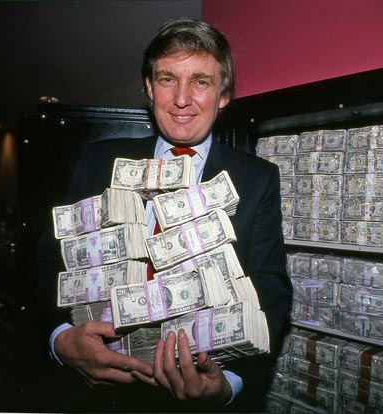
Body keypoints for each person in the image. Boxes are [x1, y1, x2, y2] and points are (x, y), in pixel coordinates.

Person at [35, 18, 293, 413]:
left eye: (201, 81)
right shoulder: (100, 160)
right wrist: (60, 339)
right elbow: (49, 260)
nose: (181, 99)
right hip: (96, 395)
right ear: (149, 87)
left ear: (223, 95)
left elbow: (270, 289)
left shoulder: (257, 178)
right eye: (168, 79)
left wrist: (228, 385)